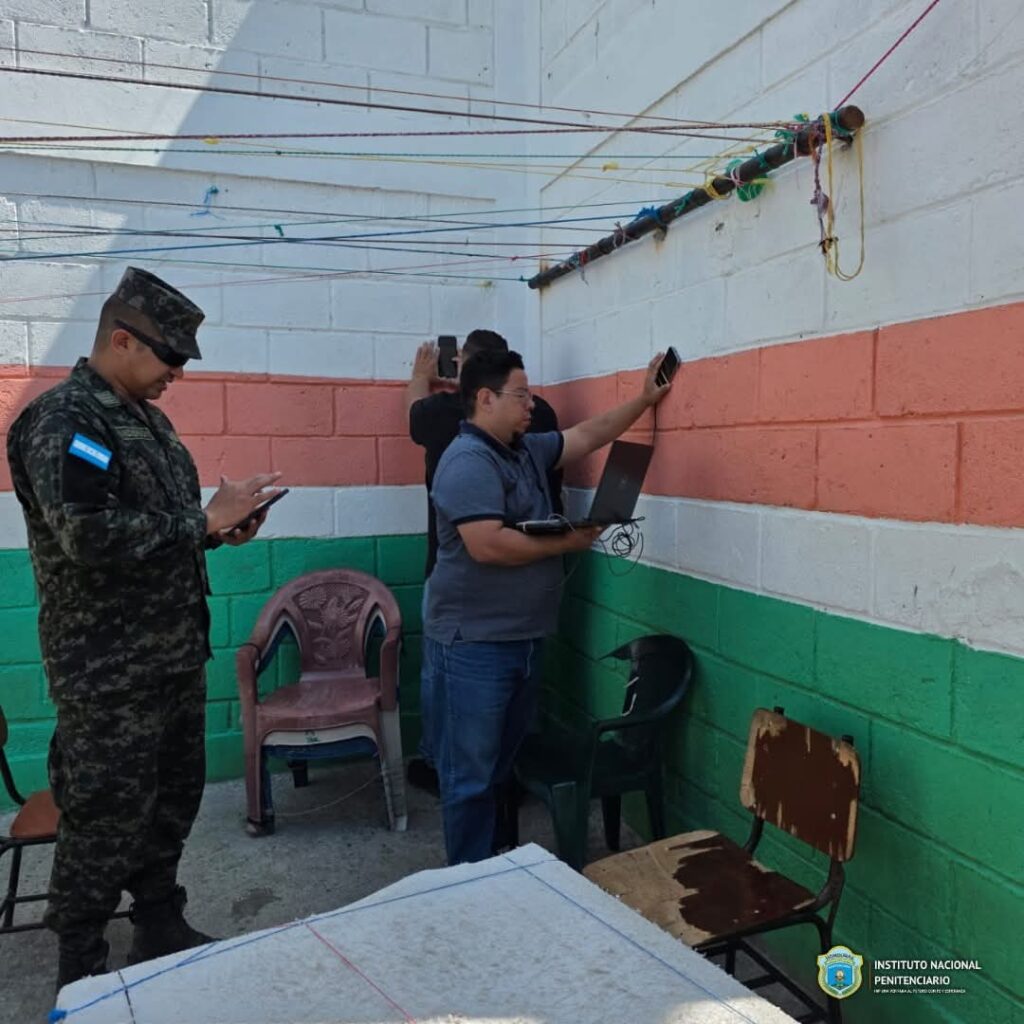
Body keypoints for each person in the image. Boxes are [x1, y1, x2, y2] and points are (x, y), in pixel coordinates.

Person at [6, 267, 284, 991]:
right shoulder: (66, 420)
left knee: (170, 803)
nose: (178, 374)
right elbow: (86, 535)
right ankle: (81, 969)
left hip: (172, 657)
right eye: (171, 356)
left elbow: (161, 529)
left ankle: (158, 923)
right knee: (104, 819)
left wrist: (219, 530)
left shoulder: (148, 422)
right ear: (122, 339)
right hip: (108, 672)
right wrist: (201, 521)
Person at [424, 348, 672, 864]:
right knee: (469, 777)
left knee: (499, 766)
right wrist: (568, 541)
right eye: (521, 395)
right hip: (475, 646)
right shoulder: (468, 461)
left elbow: (587, 435)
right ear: (485, 398)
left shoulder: (524, 450)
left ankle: (493, 863)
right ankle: (466, 881)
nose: (531, 404)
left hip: (523, 640)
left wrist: (644, 401)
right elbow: (487, 545)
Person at [405, 330, 562, 797]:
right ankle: (494, 780)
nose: (526, 404)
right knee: (503, 706)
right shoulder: (538, 416)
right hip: (513, 596)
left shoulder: (442, 412)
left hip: (471, 592)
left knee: (445, 689)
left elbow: (413, 416)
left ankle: (439, 764)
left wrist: (419, 376)